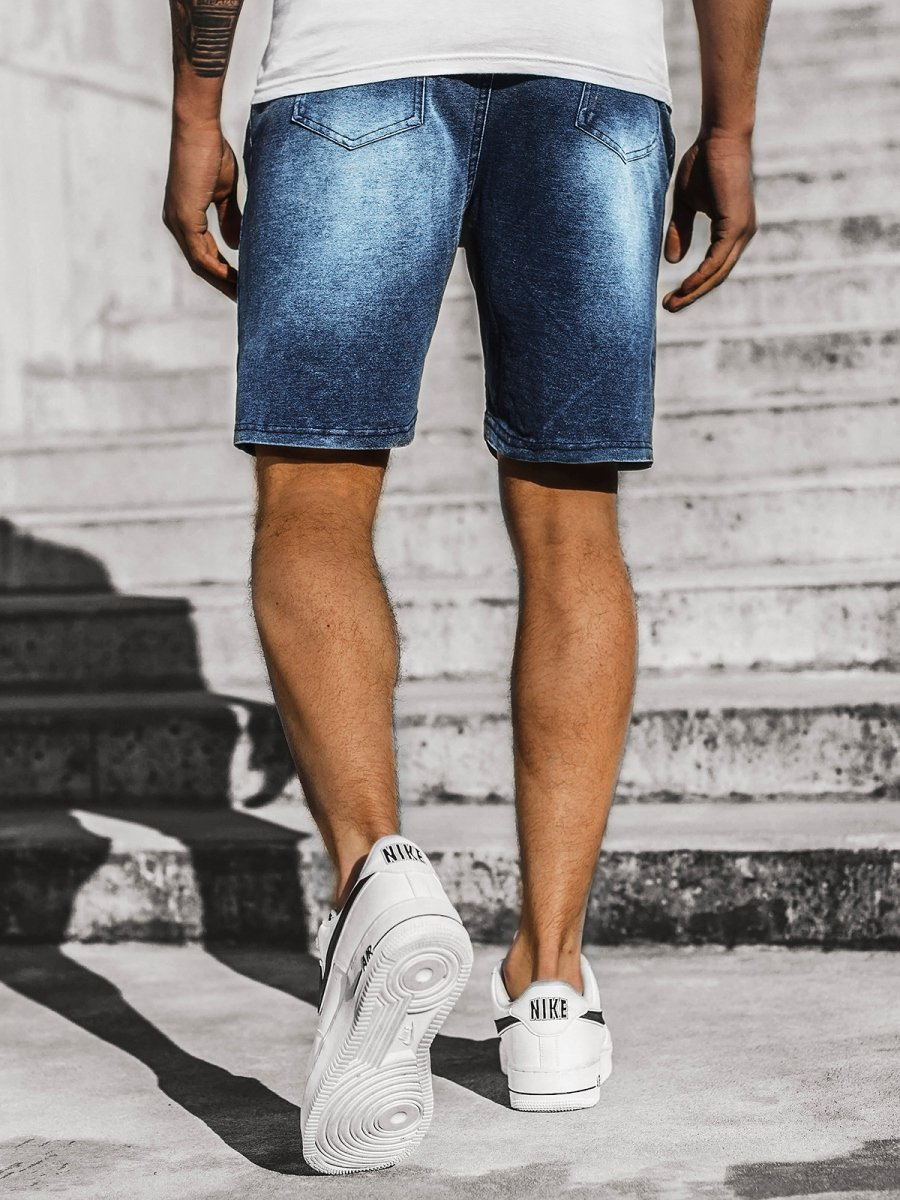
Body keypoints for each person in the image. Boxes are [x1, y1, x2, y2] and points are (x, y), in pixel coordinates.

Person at [164, 0, 769, 1174]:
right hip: (591, 75)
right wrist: (731, 126)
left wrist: (196, 113)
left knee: (312, 503)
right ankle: (551, 988)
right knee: (571, 523)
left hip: (350, 64)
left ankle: (376, 882)